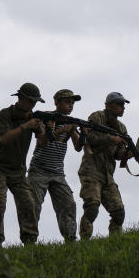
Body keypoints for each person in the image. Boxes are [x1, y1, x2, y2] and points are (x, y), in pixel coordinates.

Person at [0, 82, 47, 248]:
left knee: (28, 204)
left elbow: (42, 142)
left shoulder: (33, 118)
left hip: (18, 172)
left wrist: (42, 130)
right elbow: (4, 139)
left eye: (35, 102)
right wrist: (26, 125)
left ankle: (30, 243)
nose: (32, 105)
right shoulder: (5, 114)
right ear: (21, 98)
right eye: (31, 101)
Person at [27, 88, 84, 242]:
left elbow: (78, 147)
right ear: (56, 102)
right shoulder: (46, 119)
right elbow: (41, 142)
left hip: (58, 172)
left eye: (72, 103)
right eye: (67, 102)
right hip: (39, 170)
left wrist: (80, 132)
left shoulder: (69, 122)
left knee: (68, 204)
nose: (70, 105)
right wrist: (61, 130)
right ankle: (29, 242)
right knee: (33, 207)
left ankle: (71, 239)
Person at [78, 92, 131, 239]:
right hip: (91, 171)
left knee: (119, 212)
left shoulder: (121, 127)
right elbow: (89, 137)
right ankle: (84, 241)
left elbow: (118, 154)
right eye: (119, 104)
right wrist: (110, 138)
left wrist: (128, 154)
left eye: (123, 105)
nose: (123, 107)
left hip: (108, 175)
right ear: (108, 105)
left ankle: (115, 242)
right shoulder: (97, 117)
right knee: (92, 207)